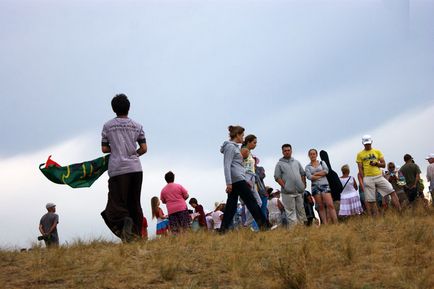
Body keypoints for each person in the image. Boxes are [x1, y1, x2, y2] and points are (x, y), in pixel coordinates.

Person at [100, 94, 147, 242]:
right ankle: (137, 236)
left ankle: (124, 222)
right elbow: (144, 148)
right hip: (136, 169)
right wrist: (134, 155)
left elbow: (104, 149)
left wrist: (116, 150)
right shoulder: (137, 126)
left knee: (116, 205)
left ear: (113, 109)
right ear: (129, 108)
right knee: (135, 203)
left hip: (118, 170)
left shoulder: (108, 126)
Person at [220, 125, 269, 233]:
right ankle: (264, 226)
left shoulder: (234, 147)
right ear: (237, 135)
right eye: (242, 135)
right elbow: (227, 165)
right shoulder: (230, 147)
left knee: (231, 206)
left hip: (238, 179)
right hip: (236, 180)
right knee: (252, 202)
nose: (243, 137)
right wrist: (228, 183)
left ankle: (222, 230)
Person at [356, 135, 401, 216]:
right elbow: (360, 168)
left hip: (379, 176)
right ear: (363, 143)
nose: (367, 145)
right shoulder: (360, 154)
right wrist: (364, 179)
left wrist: (376, 164)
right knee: (372, 200)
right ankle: (377, 218)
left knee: (392, 191)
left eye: (369, 143)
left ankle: (400, 212)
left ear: (371, 142)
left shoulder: (377, 151)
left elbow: (383, 165)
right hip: (368, 178)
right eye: (366, 144)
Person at [274, 144, 307, 227]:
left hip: (299, 191)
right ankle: (294, 231)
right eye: (285, 151)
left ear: (291, 151)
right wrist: (285, 187)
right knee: (290, 212)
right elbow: (277, 177)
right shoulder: (279, 164)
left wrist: (303, 184)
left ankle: (302, 229)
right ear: (282, 152)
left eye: (288, 150)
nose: (287, 152)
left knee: (301, 210)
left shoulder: (296, 162)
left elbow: (302, 173)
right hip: (287, 192)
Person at [305, 148, 337, 224]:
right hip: (315, 187)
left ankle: (336, 223)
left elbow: (326, 171)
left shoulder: (322, 163)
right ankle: (325, 224)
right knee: (321, 206)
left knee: (330, 205)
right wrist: (320, 174)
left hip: (325, 185)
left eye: (314, 154)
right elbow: (309, 177)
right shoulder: (307, 167)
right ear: (309, 155)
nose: (312, 155)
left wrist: (315, 174)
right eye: (311, 154)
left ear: (316, 155)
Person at [240, 134, 262, 230]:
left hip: (252, 177)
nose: (255, 145)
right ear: (248, 142)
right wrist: (245, 179)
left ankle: (247, 224)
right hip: (247, 177)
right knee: (252, 202)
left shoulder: (249, 152)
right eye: (254, 142)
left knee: (258, 202)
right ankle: (247, 225)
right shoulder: (245, 151)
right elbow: (239, 165)